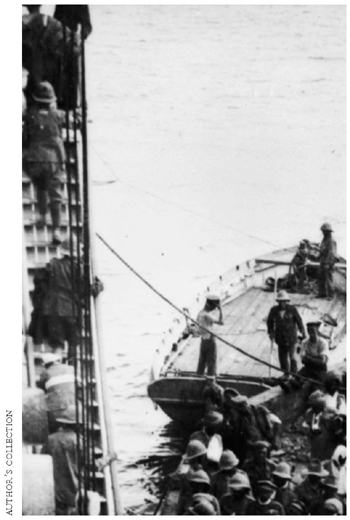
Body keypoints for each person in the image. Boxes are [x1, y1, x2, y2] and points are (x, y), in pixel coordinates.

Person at [22, 81, 65, 244]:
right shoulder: (58, 115)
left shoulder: (30, 115)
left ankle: (42, 216)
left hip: (36, 159)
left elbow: (25, 138)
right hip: (54, 159)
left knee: (40, 186)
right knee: (56, 195)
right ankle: (56, 231)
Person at [22, 5, 80, 108]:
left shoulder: (25, 23)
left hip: (35, 77)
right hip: (49, 74)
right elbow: (74, 46)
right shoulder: (53, 23)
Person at [41, 404, 80, 515]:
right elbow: (92, 466)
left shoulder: (50, 439)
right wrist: (109, 458)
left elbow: (42, 461)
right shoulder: (78, 441)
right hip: (73, 491)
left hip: (54, 490)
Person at [267, 290, 306, 374]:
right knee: (283, 358)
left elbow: (299, 321)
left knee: (293, 357)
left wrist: (303, 332)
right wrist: (270, 332)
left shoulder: (292, 309)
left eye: (284, 302)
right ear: (278, 302)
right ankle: (286, 374)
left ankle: (294, 374)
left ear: (287, 301)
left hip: (291, 338)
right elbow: (270, 322)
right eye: (280, 302)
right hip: (280, 338)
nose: (282, 304)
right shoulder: (274, 310)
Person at [37, 353, 76, 432]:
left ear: (46, 365)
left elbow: (41, 390)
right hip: (73, 404)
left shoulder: (45, 373)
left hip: (55, 407)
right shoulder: (72, 368)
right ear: (58, 361)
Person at [196, 295, 224, 376]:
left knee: (202, 361)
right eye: (214, 307)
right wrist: (220, 309)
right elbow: (221, 322)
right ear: (210, 305)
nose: (215, 309)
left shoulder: (200, 314)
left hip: (203, 340)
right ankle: (211, 378)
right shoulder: (207, 316)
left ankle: (199, 377)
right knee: (212, 361)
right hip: (210, 341)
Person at [318, 222, 338, 300]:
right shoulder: (325, 239)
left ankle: (331, 295)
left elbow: (331, 253)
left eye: (324, 231)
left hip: (328, 263)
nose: (322, 232)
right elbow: (323, 250)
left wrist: (327, 263)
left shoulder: (331, 241)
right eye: (322, 231)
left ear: (327, 231)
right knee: (321, 277)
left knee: (329, 279)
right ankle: (322, 294)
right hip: (323, 261)